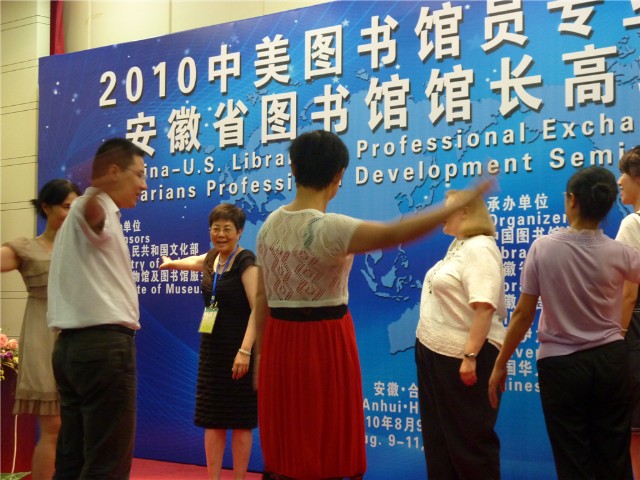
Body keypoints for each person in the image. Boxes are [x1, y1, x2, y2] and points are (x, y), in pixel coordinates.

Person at [253, 129, 492, 480]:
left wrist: (260, 354)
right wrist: (455, 205)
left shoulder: (268, 226)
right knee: (326, 440)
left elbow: (262, 296)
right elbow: (395, 234)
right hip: (325, 340)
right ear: (338, 176)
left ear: (293, 168)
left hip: (279, 341)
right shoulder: (330, 228)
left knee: (288, 439)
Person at [488, 166, 640, 480]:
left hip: (561, 367)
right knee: (614, 455)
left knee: (573, 459)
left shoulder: (543, 248)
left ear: (571, 200)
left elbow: (523, 314)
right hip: (611, 362)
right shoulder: (620, 252)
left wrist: (500, 363)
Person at [47, 138, 147, 479]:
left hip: (75, 350)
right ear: (113, 172)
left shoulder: (88, 214)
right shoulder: (91, 207)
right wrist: (96, 186)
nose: (144, 185)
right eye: (139, 174)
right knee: (107, 462)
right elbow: (93, 215)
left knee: (73, 459)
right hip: (102, 349)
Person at [159, 203, 258, 480]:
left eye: (227, 229)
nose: (220, 234)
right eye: (216, 228)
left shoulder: (246, 262)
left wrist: (245, 351)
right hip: (212, 350)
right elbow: (195, 262)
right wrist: (172, 264)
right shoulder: (213, 257)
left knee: (240, 420)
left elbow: (258, 310)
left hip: (238, 350)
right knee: (212, 418)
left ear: (239, 232)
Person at [415, 189, 506, 479]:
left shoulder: (480, 247)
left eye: (447, 209)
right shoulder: (459, 244)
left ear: (466, 212)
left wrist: (469, 355)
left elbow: (484, 306)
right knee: (439, 442)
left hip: (462, 358)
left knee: (469, 445)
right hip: (435, 353)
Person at [1, 179, 80, 480]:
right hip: (43, 335)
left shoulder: (85, 247)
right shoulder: (27, 248)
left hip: (80, 336)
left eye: (76, 207)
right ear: (46, 207)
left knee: (79, 427)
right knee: (53, 426)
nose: (72, 213)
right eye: (66, 207)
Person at [617, 145, 640, 480]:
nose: (619, 181)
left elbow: (629, 291)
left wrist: (617, 336)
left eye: (625, 173)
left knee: (634, 432)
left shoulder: (633, 223)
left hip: (636, 331)